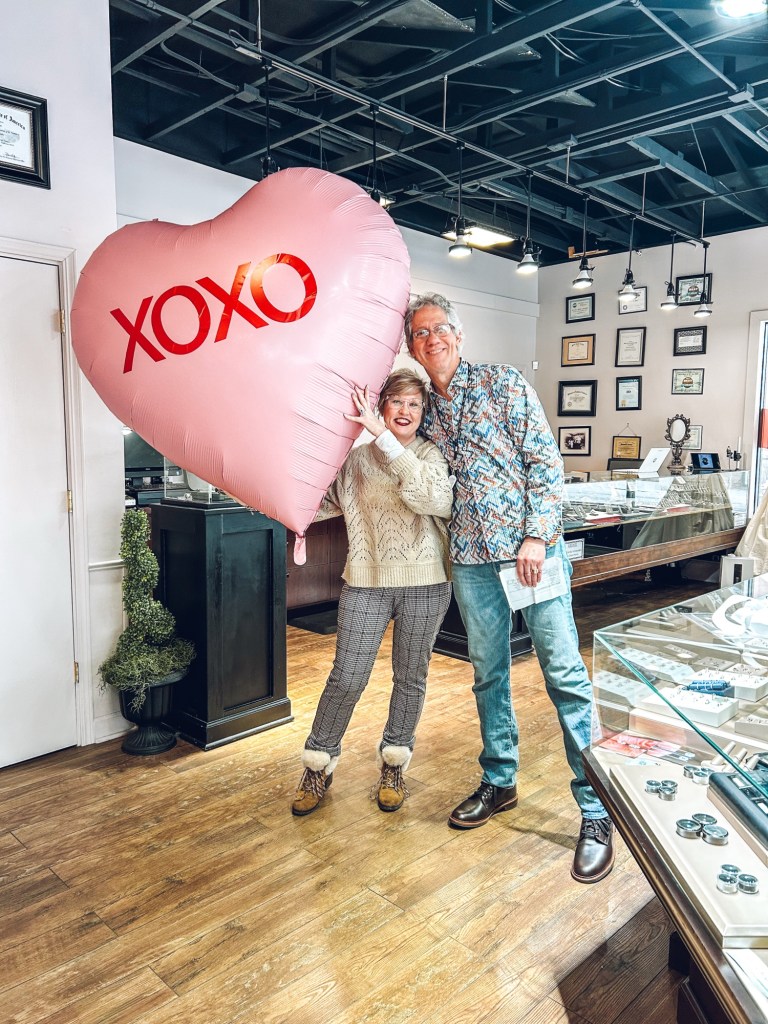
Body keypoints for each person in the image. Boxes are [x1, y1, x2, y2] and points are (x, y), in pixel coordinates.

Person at [404, 292, 614, 884]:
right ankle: (499, 780)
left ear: (459, 335)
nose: (432, 339)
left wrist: (537, 537)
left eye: (440, 328)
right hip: (471, 562)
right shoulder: (424, 411)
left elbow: (545, 463)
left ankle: (597, 808)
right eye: (420, 333)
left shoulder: (503, 383)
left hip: (529, 556)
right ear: (411, 346)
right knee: (488, 674)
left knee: (565, 677)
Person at [292, 368, 453, 817]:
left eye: (414, 404)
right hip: (366, 582)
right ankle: (318, 763)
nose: (405, 410)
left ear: (423, 413)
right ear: (381, 406)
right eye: (397, 401)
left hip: (426, 583)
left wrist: (384, 438)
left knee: (410, 677)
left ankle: (394, 763)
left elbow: (433, 500)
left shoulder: (431, 455)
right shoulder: (356, 459)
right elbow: (323, 503)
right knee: (347, 676)